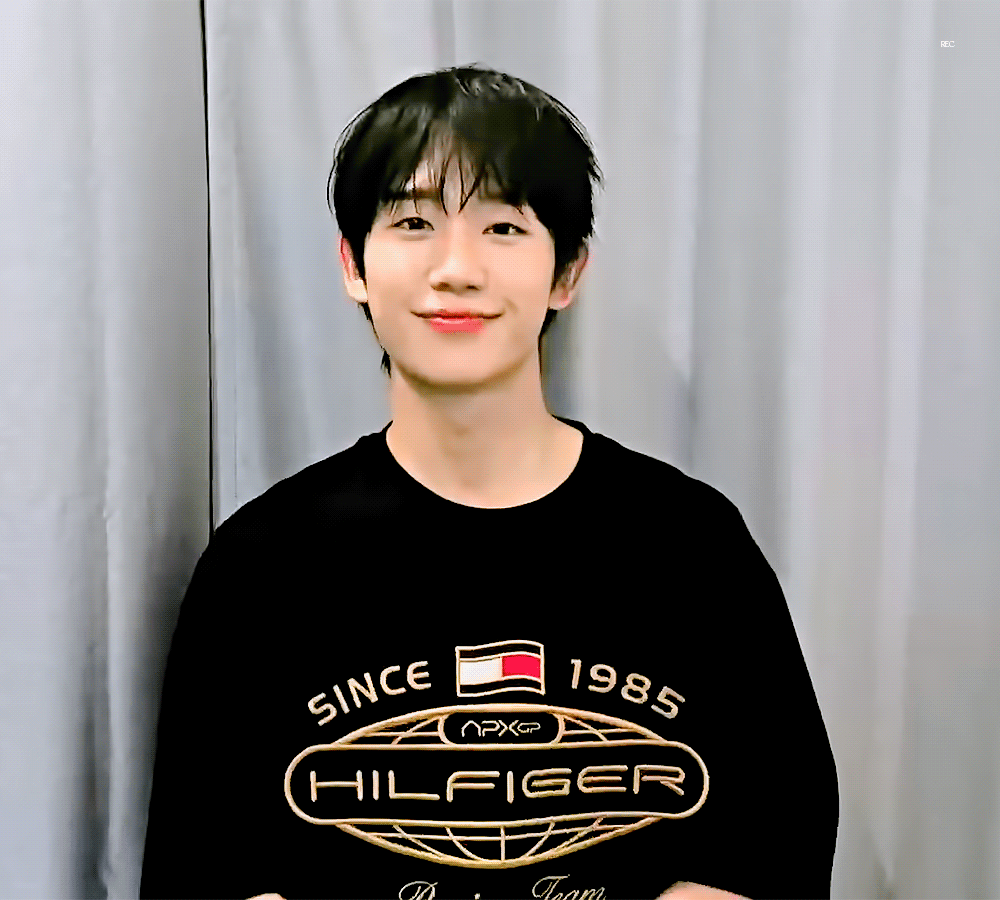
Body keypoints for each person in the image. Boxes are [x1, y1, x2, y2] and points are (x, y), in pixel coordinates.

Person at [140, 64, 838, 900]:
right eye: (413, 222)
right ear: (353, 264)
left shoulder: (689, 542)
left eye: (504, 227)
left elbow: (774, 839)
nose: (456, 268)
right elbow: (206, 865)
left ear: (566, 273)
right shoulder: (262, 565)